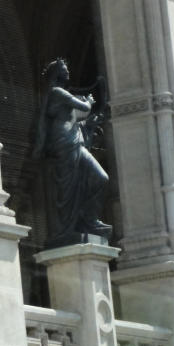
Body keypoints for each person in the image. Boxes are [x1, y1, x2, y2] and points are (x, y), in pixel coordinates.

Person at [33, 58, 111, 247]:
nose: (68, 70)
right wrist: (89, 101)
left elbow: (75, 118)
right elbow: (84, 108)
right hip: (64, 143)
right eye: (64, 68)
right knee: (68, 189)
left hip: (74, 143)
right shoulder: (57, 92)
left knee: (100, 178)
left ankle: (88, 219)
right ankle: (68, 228)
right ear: (56, 73)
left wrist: (88, 122)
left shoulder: (59, 95)